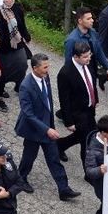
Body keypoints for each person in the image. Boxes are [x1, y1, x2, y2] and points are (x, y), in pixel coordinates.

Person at [14, 53, 81, 200]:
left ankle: (64, 189)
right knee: (29, 157)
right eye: (45, 67)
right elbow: (28, 115)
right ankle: (21, 178)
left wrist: (51, 124)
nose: (48, 69)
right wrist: (47, 129)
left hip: (47, 126)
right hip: (33, 129)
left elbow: (48, 102)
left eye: (48, 66)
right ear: (34, 68)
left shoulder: (46, 77)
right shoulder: (26, 86)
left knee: (53, 158)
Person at [56, 41, 98, 167]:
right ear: (75, 56)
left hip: (89, 109)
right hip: (77, 112)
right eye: (85, 57)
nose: (88, 58)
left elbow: (91, 82)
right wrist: (68, 121)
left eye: (89, 55)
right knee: (87, 140)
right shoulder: (65, 73)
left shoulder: (88, 64)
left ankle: (60, 145)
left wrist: (95, 99)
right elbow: (64, 99)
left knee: (87, 134)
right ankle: (88, 172)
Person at [65, 7, 108, 92]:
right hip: (80, 74)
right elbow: (68, 63)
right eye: (88, 19)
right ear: (80, 21)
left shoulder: (93, 33)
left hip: (92, 70)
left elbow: (99, 51)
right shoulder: (72, 40)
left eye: (91, 18)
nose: (92, 20)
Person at [0, 0, 31, 98]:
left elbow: (22, 25)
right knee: (4, 68)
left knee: (22, 64)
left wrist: (26, 36)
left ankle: (19, 84)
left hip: (17, 41)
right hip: (2, 45)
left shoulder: (17, 8)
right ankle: (0, 88)